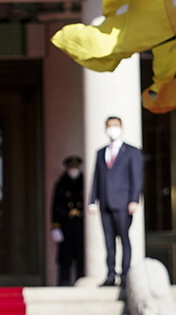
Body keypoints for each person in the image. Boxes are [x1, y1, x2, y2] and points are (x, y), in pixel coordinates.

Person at [88, 116, 142, 286]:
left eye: (115, 126)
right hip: (105, 203)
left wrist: (134, 200)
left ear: (121, 127)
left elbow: (137, 178)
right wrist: (92, 201)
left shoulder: (132, 151)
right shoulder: (100, 152)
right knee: (108, 240)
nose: (112, 129)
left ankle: (125, 274)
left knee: (124, 239)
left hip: (123, 203)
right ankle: (111, 274)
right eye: (109, 126)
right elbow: (96, 178)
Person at [50, 155, 85, 286]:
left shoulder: (84, 181)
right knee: (65, 257)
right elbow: (55, 206)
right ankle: (63, 282)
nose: (73, 169)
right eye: (71, 167)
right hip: (65, 224)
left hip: (81, 225)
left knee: (81, 255)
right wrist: (55, 226)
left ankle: (81, 281)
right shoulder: (61, 183)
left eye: (76, 167)